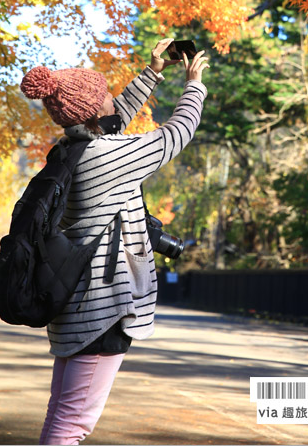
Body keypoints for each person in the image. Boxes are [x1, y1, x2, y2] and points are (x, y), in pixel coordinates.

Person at [19, 37, 208, 446]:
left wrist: (154, 72)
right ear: (93, 109)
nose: (111, 97)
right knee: (73, 424)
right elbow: (176, 134)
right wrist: (193, 83)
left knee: (61, 412)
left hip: (76, 305)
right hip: (102, 310)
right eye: (105, 93)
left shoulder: (72, 148)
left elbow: (113, 117)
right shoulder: (109, 156)